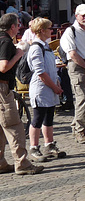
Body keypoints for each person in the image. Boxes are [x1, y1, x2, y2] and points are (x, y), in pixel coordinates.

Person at [0, 13, 44, 175]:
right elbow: (3, 67)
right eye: (17, 25)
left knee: (1, 127)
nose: (19, 27)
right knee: (14, 126)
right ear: (12, 27)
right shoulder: (5, 42)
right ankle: (22, 163)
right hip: (2, 89)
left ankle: (1, 162)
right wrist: (18, 54)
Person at [26, 18, 65, 163]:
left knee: (49, 116)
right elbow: (41, 73)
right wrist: (54, 87)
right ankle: (34, 148)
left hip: (50, 87)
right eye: (49, 28)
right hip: (41, 89)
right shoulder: (36, 48)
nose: (52, 30)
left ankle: (49, 144)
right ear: (41, 30)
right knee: (37, 118)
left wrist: (57, 83)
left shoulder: (46, 46)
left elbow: (51, 69)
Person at [60, 4, 85, 144]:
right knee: (82, 98)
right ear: (76, 16)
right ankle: (79, 131)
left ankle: (77, 126)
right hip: (77, 66)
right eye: (83, 15)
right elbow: (73, 54)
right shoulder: (70, 31)